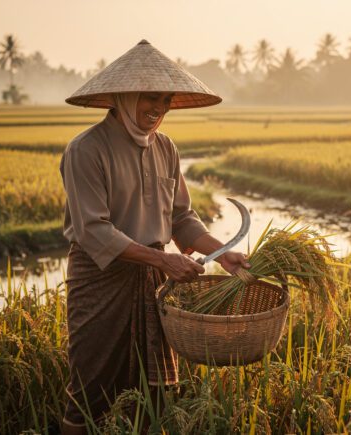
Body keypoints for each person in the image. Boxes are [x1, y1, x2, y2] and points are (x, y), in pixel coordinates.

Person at [59, 40, 249, 433]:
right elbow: (93, 231)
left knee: (154, 389)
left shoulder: (166, 148)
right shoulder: (86, 150)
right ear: (123, 96)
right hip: (101, 280)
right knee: (90, 389)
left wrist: (222, 253)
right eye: (149, 97)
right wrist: (163, 260)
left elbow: (181, 218)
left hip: (154, 280)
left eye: (164, 99)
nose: (158, 108)